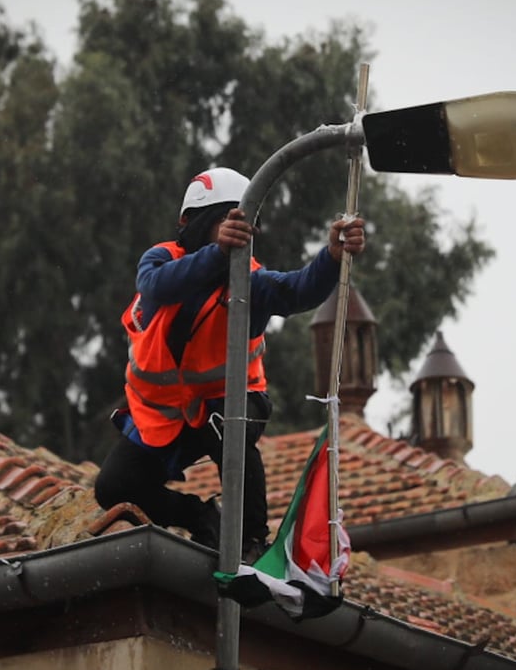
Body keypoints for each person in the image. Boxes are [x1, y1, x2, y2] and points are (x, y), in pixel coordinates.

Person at [94, 166, 366, 561]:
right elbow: (156, 286)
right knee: (113, 487)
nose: (234, 231)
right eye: (224, 220)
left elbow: (296, 291)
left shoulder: (248, 282)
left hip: (235, 403)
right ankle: (200, 517)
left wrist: (332, 258)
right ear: (192, 223)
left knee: (225, 425)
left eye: (241, 222)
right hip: (163, 417)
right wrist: (217, 254)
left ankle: (252, 542)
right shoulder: (160, 260)